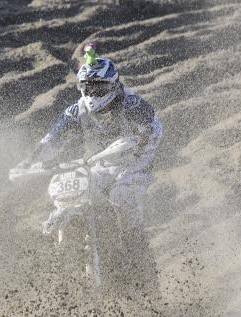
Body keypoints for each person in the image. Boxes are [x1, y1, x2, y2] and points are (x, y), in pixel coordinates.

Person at [22, 43, 163, 268]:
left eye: (98, 88)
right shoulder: (78, 109)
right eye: (87, 88)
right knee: (74, 193)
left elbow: (150, 124)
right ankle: (67, 244)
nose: (91, 93)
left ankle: (138, 254)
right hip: (100, 164)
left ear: (112, 85)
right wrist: (29, 162)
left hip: (133, 162)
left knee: (121, 198)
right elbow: (52, 138)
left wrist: (140, 142)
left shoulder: (130, 102)